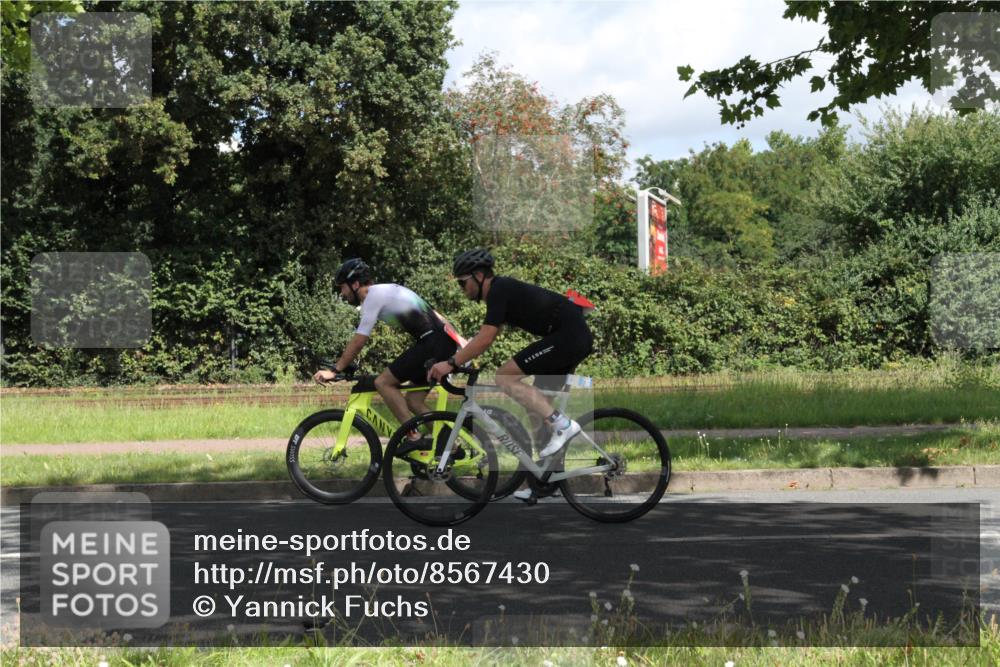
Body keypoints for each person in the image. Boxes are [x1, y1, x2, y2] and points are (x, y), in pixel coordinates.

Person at [427, 249, 594, 495]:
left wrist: (450, 363)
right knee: (536, 403)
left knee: (504, 377)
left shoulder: (499, 289)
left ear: (480, 275)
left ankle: (563, 425)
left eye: (463, 283)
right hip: (569, 336)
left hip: (568, 336)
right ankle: (548, 480)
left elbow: (486, 337)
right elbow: (486, 337)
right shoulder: (501, 293)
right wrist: (461, 358)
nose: (463, 290)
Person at [314, 258, 462, 451]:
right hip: (440, 342)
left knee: (383, 383)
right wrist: (459, 341)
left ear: (355, 284)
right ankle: (451, 446)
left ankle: (413, 437)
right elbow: (433, 312)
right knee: (414, 401)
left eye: (343, 287)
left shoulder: (372, 297)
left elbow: (359, 340)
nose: (342, 293)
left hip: (432, 343)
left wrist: (335, 369)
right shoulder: (387, 290)